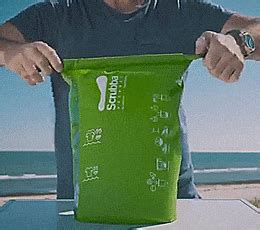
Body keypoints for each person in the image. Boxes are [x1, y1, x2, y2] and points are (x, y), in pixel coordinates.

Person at [0, 0, 259, 199]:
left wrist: (241, 41)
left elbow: (253, 29)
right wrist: (11, 51)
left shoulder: (181, 10)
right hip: (83, 205)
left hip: (174, 201)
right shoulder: (58, 13)